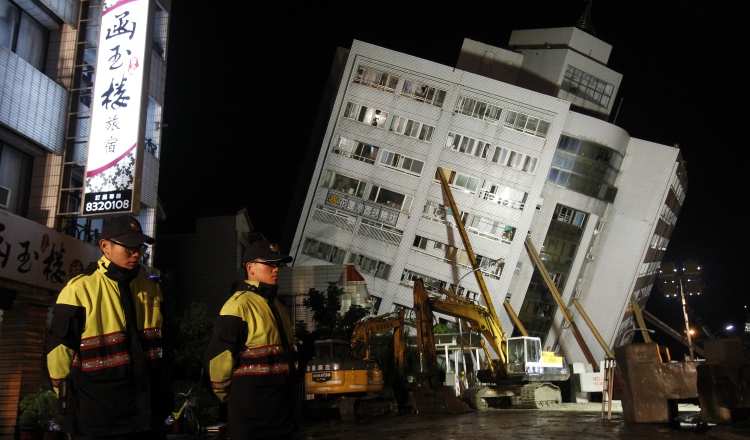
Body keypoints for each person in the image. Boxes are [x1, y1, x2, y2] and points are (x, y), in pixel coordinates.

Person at [46, 215, 172, 439]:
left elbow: (164, 348)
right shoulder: (79, 289)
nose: (136, 253)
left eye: (139, 247)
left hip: (149, 417)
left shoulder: (151, 288)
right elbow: (58, 354)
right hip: (98, 420)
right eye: (129, 247)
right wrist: (71, 402)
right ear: (105, 246)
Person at [204, 238, 300, 440]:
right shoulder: (238, 306)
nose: (276, 269)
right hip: (252, 417)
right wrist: (234, 400)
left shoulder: (278, 306)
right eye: (270, 264)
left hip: (282, 412)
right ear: (250, 268)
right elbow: (217, 363)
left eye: (278, 264)